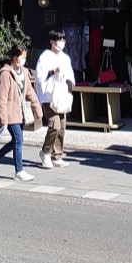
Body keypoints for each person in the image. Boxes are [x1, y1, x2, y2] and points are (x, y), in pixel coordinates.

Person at [0, 47, 41, 181]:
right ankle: (19, 170)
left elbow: (30, 92)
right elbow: (2, 97)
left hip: (20, 112)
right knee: (18, 140)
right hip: (10, 112)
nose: (24, 60)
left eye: (25, 57)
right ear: (15, 57)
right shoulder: (5, 74)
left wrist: (37, 108)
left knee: (16, 140)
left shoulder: (24, 72)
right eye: (22, 57)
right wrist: (3, 118)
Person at [35, 29, 75, 168]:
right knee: (54, 125)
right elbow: (39, 76)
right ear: (52, 42)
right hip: (48, 96)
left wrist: (70, 90)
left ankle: (57, 155)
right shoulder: (45, 57)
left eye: (63, 39)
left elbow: (70, 76)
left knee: (62, 126)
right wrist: (53, 71)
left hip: (62, 96)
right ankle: (45, 152)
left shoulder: (65, 58)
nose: (62, 42)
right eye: (59, 39)